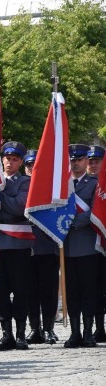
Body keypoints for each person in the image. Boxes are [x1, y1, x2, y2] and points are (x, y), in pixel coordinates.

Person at [0, 141, 33, 351]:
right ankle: (6, 333)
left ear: (20, 162)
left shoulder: (25, 182)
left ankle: (21, 333)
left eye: (14, 159)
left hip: (18, 244)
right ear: (2, 159)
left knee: (21, 291)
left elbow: (20, 206)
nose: (10, 162)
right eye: (7, 158)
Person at [62, 144, 99, 347]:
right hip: (65, 247)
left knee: (88, 290)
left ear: (86, 161)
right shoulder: (62, 184)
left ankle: (88, 332)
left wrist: (71, 222)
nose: (75, 163)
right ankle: (75, 332)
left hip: (86, 244)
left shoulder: (94, 184)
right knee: (72, 291)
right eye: (72, 160)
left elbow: (96, 210)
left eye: (79, 159)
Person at [23, 150, 60, 345]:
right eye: (28, 165)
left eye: (34, 165)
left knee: (49, 291)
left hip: (47, 245)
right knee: (30, 291)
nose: (31, 168)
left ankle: (49, 329)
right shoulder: (21, 186)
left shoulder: (50, 188)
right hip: (26, 247)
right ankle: (34, 329)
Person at [86, 145, 106, 342]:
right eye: (89, 161)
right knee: (94, 287)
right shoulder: (82, 183)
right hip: (92, 244)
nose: (92, 165)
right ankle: (99, 328)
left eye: (96, 161)